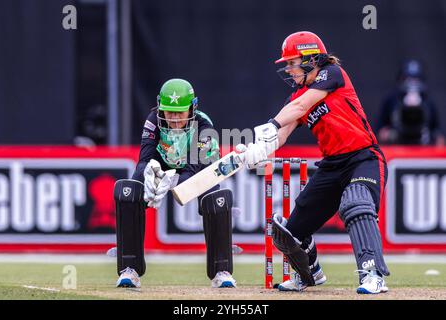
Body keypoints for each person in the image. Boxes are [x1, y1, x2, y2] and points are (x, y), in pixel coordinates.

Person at [236, 31, 390, 294]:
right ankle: (311, 273)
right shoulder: (298, 94)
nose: (288, 68)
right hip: (332, 165)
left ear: (309, 58)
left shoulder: (332, 73)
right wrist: (257, 150)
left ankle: (373, 275)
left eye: (292, 62)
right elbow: (282, 134)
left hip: (363, 157)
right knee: (288, 233)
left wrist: (271, 124)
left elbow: (296, 110)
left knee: (356, 202)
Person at [114, 79, 236, 289]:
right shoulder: (153, 119)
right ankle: (129, 269)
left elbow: (193, 171)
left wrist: (170, 180)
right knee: (129, 192)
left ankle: (221, 271)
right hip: (161, 162)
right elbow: (144, 160)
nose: (174, 118)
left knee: (217, 199)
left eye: (180, 112)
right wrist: (149, 176)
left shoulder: (204, 125)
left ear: (192, 108)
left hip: (197, 165)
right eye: (169, 112)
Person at [376, 59, 444, 146]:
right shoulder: (391, 100)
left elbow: (439, 135)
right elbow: (379, 132)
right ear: (401, 79)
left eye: (415, 79)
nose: (411, 83)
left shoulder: (428, 102)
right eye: (408, 79)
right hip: (397, 148)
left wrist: (432, 137)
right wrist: (390, 134)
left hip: (423, 147)